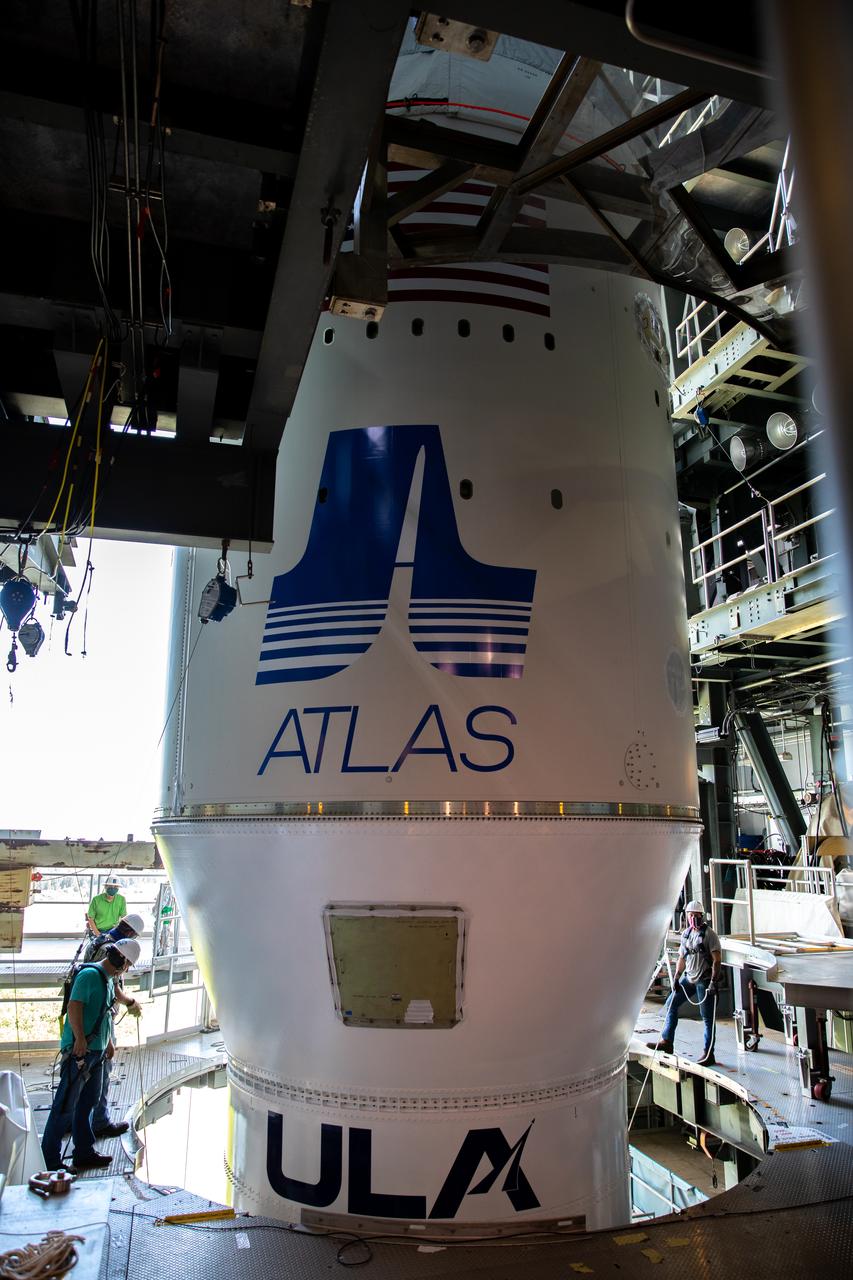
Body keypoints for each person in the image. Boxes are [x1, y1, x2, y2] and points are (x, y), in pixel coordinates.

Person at [42, 938, 141, 1171]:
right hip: (81, 1052)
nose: (126, 969)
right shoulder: (89, 976)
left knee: (87, 1102)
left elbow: (104, 1014)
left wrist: (106, 1043)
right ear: (123, 961)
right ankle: (51, 1160)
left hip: (96, 1052)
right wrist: (79, 1038)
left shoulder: (107, 980)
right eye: (127, 964)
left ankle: (84, 1152)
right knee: (64, 1106)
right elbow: (74, 1006)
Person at [83, 914, 145, 1138]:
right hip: (98, 1017)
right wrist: (129, 1002)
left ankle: (80, 1120)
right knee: (100, 1073)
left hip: (89, 1014)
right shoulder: (114, 953)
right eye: (127, 965)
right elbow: (110, 985)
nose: (126, 968)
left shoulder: (99, 941)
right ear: (131, 934)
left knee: (86, 1075)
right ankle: (99, 1121)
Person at [648, 900, 722, 1066]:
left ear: (701, 916)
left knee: (708, 1018)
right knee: (671, 1004)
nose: (693, 918)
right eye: (690, 915)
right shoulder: (686, 934)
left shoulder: (710, 935)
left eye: (696, 915)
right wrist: (676, 977)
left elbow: (717, 960)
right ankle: (667, 1042)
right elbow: (682, 957)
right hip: (688, 978)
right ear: (686, 916)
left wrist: (712, 982)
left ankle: (708, 1053)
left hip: (704, 979)